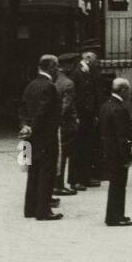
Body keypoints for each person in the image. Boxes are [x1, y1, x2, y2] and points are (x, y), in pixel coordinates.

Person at [21, 55, 63, 220]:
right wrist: (33, 128)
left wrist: (25, 126)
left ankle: (30, 208)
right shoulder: (49, 87)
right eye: (56, 66)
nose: (57, 70)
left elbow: (23, 108)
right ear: (51, 67)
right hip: (45, 136)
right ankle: (43, 211)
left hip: (31, 138)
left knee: (33, 172)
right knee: (46, 173)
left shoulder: (30, 85)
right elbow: (43, 112)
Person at [101, 78, 132, 227]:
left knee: (115, 185)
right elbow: (122, 137)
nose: (129, 93)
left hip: (109, 151)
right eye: (128, 89)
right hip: (118, 154)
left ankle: (114, 215)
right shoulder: (119, 109)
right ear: (123, 90)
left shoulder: (106, 105)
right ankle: (115, 217)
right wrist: (127, 156)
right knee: (119, 185)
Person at [70, 51, 103, 190]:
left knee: (88, 146)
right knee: (78, 147)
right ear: (87, 58)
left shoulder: (90, 71)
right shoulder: (77, 72)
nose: (97, 62)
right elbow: (75, 95)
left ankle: (86, 177)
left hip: (89, 114)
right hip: (81, 114)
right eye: (95, 59)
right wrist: (75, 115)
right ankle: (76, 180)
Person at [53, 63, 79, 195]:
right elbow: (66, 105)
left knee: (60, 153)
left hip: (59, 124)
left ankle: (59, 183)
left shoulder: (55, 81)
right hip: (67, 123)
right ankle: (61, 184)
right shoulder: (68, 83)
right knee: (66, 153)